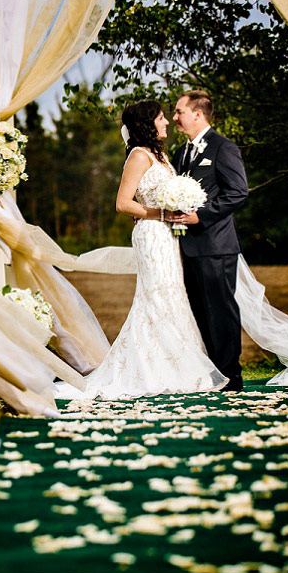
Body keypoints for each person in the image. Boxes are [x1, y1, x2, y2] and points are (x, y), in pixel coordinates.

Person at [55, 99, 228, 400]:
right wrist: (160, 213)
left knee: (173, 294)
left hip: (168, 234)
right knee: (157, 296)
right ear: (148, 124)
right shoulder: (138, 156)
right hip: (151, 234)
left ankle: (179, 369)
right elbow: (123, 203)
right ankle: (153, 371)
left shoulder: (158, 155)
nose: (166, 123)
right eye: (161, 118)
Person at [168, 91, 249, 391]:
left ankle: (231, 377)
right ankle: (212, 374)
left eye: (179, 112)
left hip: (216, 245)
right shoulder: (180, 153)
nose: (175, 117)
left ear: (198, 114)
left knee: (221, 310)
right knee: (199, 311)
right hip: (186, 247)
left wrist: (201, 216)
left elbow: (238, 192)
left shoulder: (223, 147)